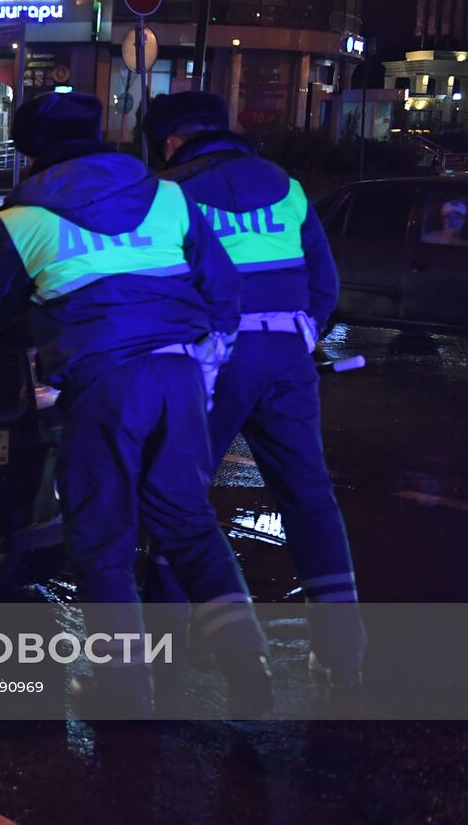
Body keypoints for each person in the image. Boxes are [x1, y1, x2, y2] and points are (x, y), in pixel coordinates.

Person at [0, 91, 272, 718]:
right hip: (179, 378)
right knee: (187, 522)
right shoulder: (167, 194)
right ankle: (248, 662)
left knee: (102, 535)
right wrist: (205, 362)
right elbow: (224, 290)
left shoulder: (25, 215)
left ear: (29, 148)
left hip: (104, 383)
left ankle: (123, 685)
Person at [145, 90, 365, 696]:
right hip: (286, 356)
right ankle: (342, 647)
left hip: (213, 359)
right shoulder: (285, 185)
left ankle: (169, 644)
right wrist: (297, 337)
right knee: (309, 496)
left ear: (171, 142)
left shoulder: (170, 194)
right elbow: (324, 283)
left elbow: (162, 286)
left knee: (178, 498)